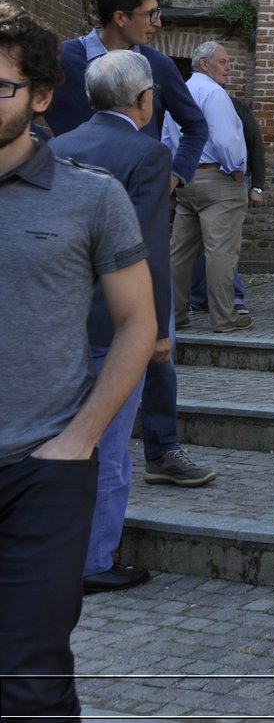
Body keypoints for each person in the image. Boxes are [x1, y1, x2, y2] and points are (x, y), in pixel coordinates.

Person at [0, 9, 157, 720]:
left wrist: (80, 439)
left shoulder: (91, 195)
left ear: (39, 96)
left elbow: (137, 324)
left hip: (41, 470)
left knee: (32, 678)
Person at [46, 49, 174, 594]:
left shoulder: (58, 146)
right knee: (109, 444)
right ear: (144, 100)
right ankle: (94, 559)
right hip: (117, 323)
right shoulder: (146, 154)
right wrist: (159, 326)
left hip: (59, 319)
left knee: (59, 437)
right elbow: (150, 249)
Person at [43, 0, 208, 187]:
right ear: (121, 17)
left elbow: (196, 125)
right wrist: (48, 153)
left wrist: (176, 175)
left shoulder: (159, 65)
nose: (157, 23)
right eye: (150, 14)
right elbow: (21, 109)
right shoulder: (62, 59)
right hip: (70, 192)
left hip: (137, 196)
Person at [166, 41, 252, 333]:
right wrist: (237, 170)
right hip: (218, 178)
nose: (229, 67)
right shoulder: (214, 93)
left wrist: (175, 175)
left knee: (180, 252)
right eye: (223, 61)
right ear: (204, 64)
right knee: (221, 252)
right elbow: (225, 139)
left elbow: (167, 139)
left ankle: (174, 315)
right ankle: (224, 317)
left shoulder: (180, 92)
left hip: (186, 178)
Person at [189, 92, 263, 318]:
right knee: (208, 245)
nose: (227, 68)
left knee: (222, 243)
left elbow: (254, 143)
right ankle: (204, 298)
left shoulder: (236, 106)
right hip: (209, 177)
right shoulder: (191, 102)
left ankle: (232, 295)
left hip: (229, 176)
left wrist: (255, 185)